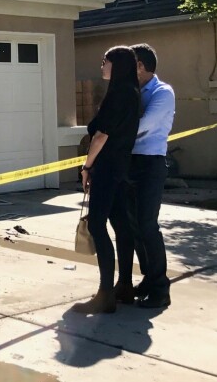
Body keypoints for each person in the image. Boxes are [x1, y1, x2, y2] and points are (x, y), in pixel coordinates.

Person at [72, 46, 141, 315]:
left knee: (98, 226)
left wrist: (87, 166)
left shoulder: (119, 95)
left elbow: (101, 136)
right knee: (122, 226)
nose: (101, 66)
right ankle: (124, 284)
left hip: (107, 168)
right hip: (122, 168)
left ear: (117, 65)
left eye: (105, 61)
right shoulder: (132, 94)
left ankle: (105, 294)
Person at [110, 43, 175, 309]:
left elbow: (143, 125)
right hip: (130, 162)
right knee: (133, 226)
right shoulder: (132, 91)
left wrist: (112, 134)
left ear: (139, 66)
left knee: (148, 225)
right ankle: (148, 279)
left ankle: (160, 289)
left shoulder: (162, 92)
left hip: (150, 165)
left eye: (129, 64)